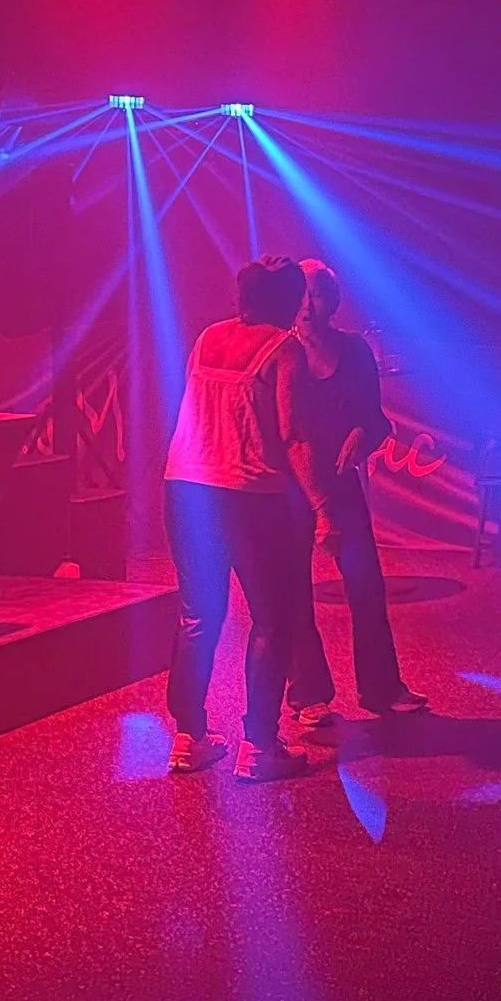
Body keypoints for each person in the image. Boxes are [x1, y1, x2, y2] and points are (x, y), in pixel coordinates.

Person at [162, 256, 320, 782]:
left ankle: (188, 738)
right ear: (291, 302)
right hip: (249, 493)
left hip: (185, 485)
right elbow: (293, 434)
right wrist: (321, 503)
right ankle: (259, 746)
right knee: (271, 619)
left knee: (199, 615)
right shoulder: (284, 348)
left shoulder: (208, 338)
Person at [284, 259, 428, 725]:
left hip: (341, 482)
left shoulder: (356, 352)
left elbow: (376, 419)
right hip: (291, 485)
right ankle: (308, 696)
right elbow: (280, 430)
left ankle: (381, 688)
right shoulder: (280, 352)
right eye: (301, 293)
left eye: (318, 293)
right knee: (292, 589)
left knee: (366, 585)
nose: (309, 304)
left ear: (333, 301)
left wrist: (362, 436)